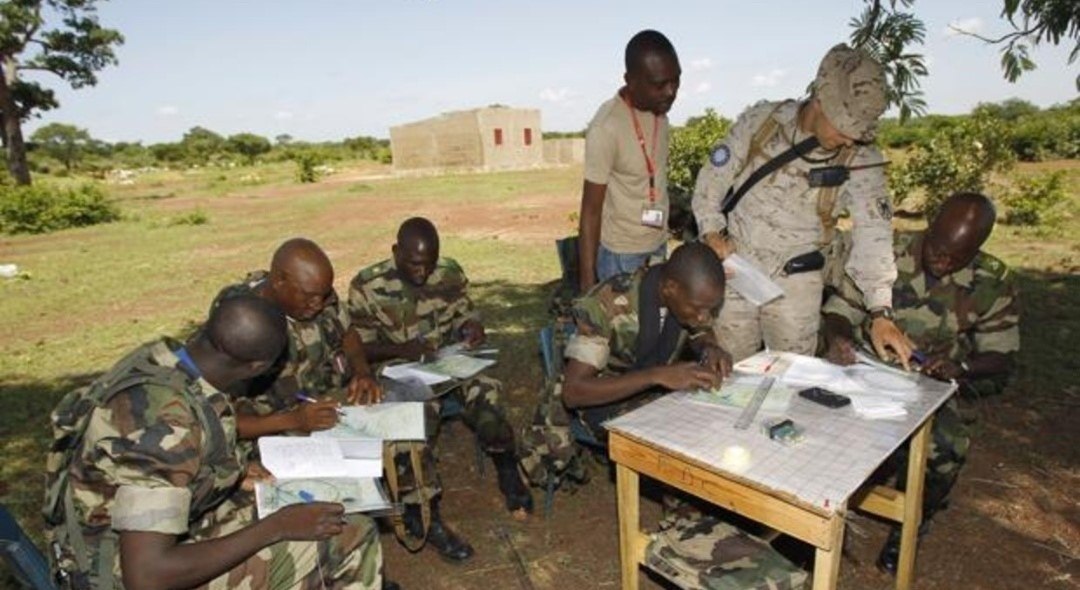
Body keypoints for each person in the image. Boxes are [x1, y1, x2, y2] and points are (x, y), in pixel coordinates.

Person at [43, 295, 384, 589]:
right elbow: (146, 576)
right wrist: (276, 528)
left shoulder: (165, 359)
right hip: (118, 571)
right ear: (258, 367)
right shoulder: (167, 428)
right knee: (349, 533)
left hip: (135, 534)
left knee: (315, 508)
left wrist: (229, 474)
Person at [217, 238, 474, 564]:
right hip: (271, 429)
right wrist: (295, 420)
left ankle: (422, 514)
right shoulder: (240, 316)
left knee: (404, 425)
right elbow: (221, 419)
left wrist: (362, 372)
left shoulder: (320, 296)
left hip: (326, 404)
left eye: (323, 295)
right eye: (309, 296)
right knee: (331, 488)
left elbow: (347, 333)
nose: (317, 304)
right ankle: (351, 561)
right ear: (279, 281)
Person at [821, 192, 1019, 574]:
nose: (942, 262)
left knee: (945, 451)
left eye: (957, 257)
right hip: (865, 369)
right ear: (931, 226)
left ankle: (912, 522)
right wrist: (838, 338)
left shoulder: (992, 282)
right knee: (818, 425)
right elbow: (840, 310)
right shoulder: (885, 254)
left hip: (931, 385)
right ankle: (820, 517)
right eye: (938, 249)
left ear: (977, 249)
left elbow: (1002, 355)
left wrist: (961, 367)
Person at [692, 43, 914, 367]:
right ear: (821, 100)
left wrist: (880, 312)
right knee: (733, 371)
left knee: (793, 377)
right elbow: (712, 181)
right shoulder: (762, 123)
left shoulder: (862, 159)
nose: (850, 139)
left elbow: (873, 237)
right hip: (735, 270)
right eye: (845, 127)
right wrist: (711, 232)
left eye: (859, 132)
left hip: (797, 282)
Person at [348, 218, 534, 518]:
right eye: (414, 264)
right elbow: (360, 348)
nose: (422, 272)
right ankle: (422, 505)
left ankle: (506, 464)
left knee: (486, 391)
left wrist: (471, 327)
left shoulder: (449, 273)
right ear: (396, 252)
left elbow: (465, 314)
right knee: (421, 414)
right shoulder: (368, 287)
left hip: (449, 362)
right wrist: (402, 350)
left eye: (429, 263)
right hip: (402, 370)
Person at [561, 242, 731, 440]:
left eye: (711, 309)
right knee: (689, 434)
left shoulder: (684, 296)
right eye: (698, 308)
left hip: (652, 393)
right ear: (670, 288)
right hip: (603, 400)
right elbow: (573, 392)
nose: (704, 317)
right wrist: (656, 375)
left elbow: (699, 331)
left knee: (715, 422)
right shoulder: (606, 305)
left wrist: (710, 346)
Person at [578, 29, 681, 292]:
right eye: (660, 84)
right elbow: (590, 210)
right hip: (621, 257)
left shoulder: (661, 113)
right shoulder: (606, 128)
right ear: (631, 81)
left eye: (676, 80)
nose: (671, 92)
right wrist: (588, 284)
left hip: (658, 246)